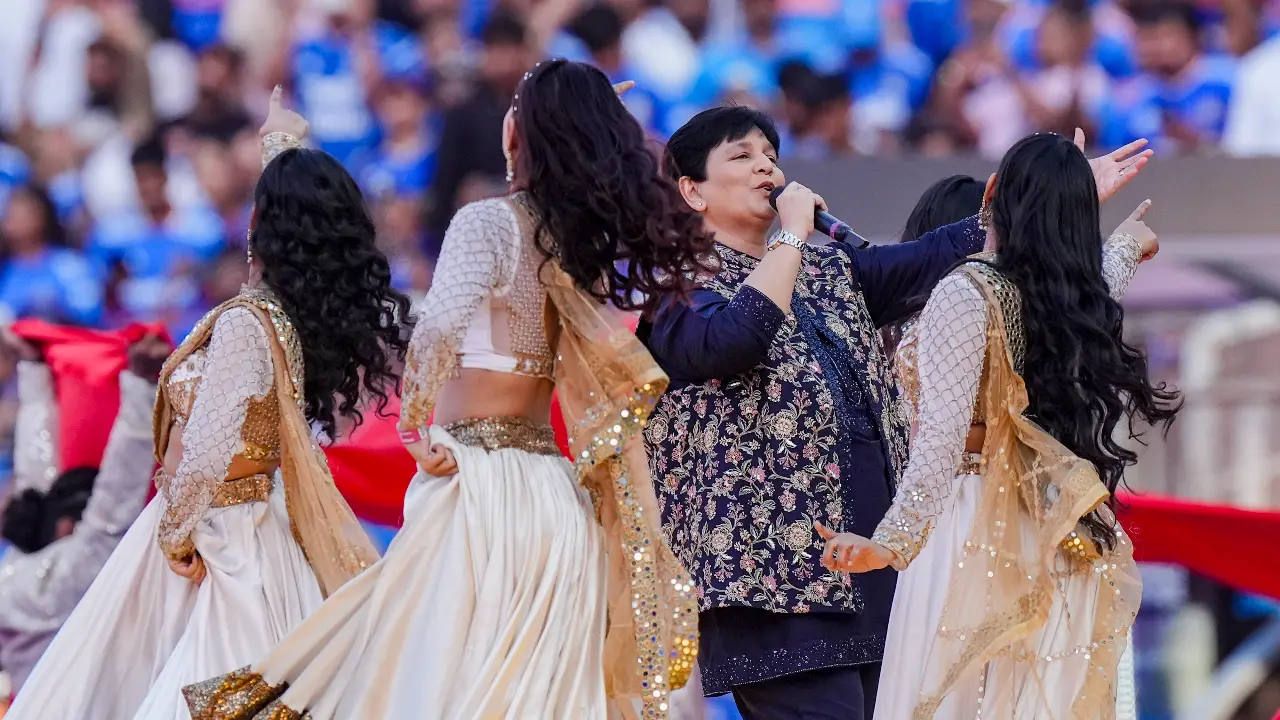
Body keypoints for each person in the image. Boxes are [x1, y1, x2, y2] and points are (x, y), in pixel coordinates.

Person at [183, 61, 705, 719]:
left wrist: (415, 426)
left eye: (518, 104)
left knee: (415, 676)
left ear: (524, 132)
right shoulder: (575, 237)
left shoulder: (487, 223)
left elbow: (434, 335)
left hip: (475, 487)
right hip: (550, 497)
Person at [643, 105, 1152, 719]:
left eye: (771, 155)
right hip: (776, 587)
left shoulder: (829, 267)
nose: (765, 167)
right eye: (742, 156)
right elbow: (732, 342)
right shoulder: (675, 285)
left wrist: (1049, 199)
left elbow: (928, 259)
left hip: (873, 573)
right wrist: (790, 238)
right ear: (691, 190)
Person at [6, 87, 408, 720]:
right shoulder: (286, 316)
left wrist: (173, 538)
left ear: (261, 228)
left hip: (220, 542)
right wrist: (283, 144)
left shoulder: (252, 323)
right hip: (249, 529)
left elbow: (209, 451)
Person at [819, 132, 1180, 718]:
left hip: (968, 527)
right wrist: (1120, 250)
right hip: (1058, 526)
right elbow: (1080, 317)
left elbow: (939, 443)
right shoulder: (1069, 301)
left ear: (992, 193)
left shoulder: (965, 293)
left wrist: (886, 545)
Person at [0, 333, 169, 696]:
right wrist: (141, 385)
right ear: (68, 525)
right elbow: (118, 490)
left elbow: (36, 468)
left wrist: (33, 372)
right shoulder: (70, 573)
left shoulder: (13, 566)